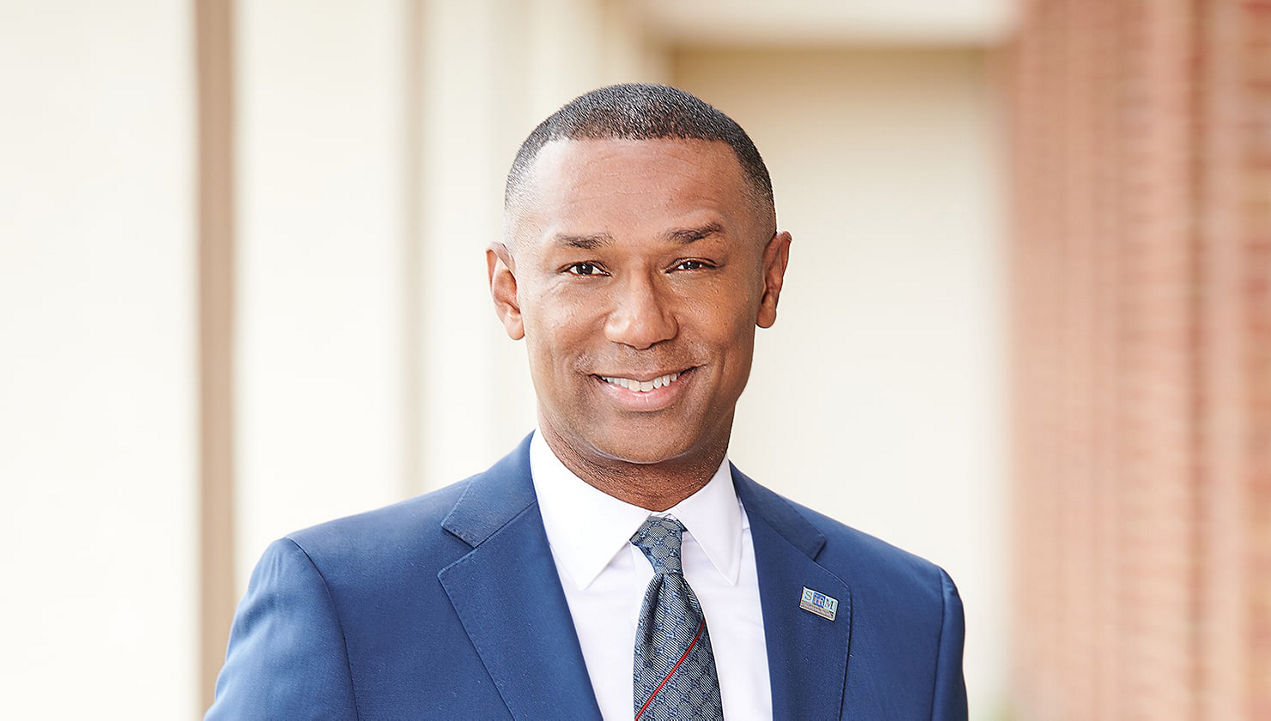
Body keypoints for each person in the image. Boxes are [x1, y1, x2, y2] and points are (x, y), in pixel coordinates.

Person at [206, 83, 967, 720]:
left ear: (769, 280)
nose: (642, 324)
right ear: (509, 293)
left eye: (691, 261)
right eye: (585, 268)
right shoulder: (343, 602)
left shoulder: (907, 616)